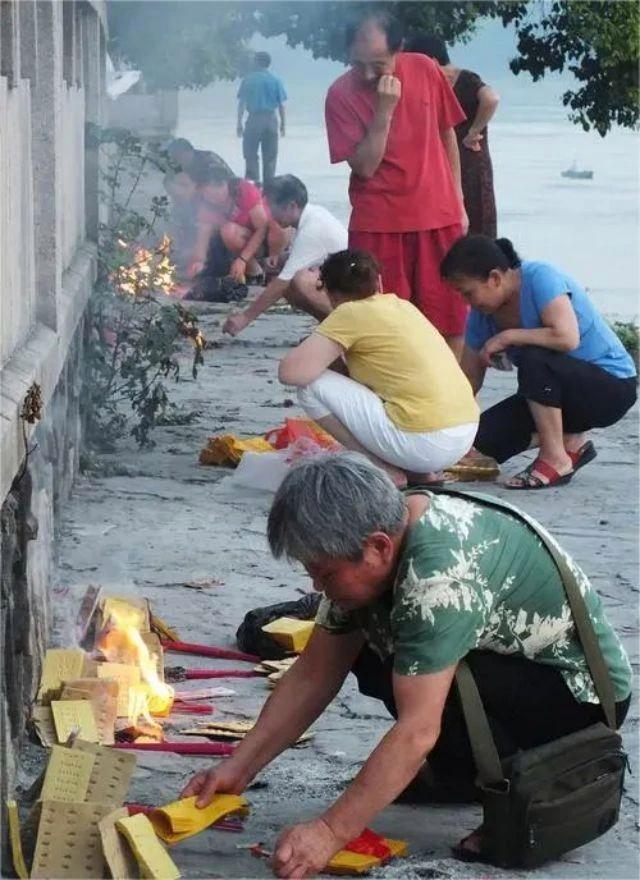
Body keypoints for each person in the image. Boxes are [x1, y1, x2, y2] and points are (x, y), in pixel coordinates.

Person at [181, 453, 632, 876]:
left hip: (579, 699)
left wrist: (330, 832)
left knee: (416, 670)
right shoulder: (383, 531)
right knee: (377, 651)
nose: (314, 584)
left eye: (325, 572)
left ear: (377, 546)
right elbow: (314, 675)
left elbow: (418, 729)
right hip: (504, 668)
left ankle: (507, 790)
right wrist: (237, 768)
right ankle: (460, 773)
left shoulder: (437, 577)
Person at [325, 11, 469, 357]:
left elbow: (446, 133)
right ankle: (386, 408)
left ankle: (453, 406)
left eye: (378, 64)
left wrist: (459, 202)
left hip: (438, 216)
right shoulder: (340, 94)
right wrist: (384, 111)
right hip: (378, 224)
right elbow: (364, 166)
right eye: (358, 64)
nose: (368, 74)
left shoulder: (424, 68)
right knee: (377, 325)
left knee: (448, 321)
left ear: (399, 49)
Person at [440, 236, 637, 488]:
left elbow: (567, 337)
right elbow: (468, 381)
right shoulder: (482, 316)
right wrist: (444, 432)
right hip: (553, 396)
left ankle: (556, 458)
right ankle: (571, 441)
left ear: (495, 278)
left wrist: (508, 336)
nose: (466, 303)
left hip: (609, 388)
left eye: (468, 293)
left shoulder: (540, 277)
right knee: (478, 443)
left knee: (536, 358)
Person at [277, 250, 479, 486]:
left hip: (425, 440)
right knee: (390, 394)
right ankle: (420, 474)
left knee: (310, 386)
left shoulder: (348, 313)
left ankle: (381, 467)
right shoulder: (402, 306)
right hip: (463, 433)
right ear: (379, 283)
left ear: (330, 293)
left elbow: (290, 373)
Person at [223, 175, 348, 336]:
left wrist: (245, 318)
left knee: (297, 281)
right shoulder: (312, 213)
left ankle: (342, 328)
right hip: (338, 279)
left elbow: (282, 282)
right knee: (290, 282)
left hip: (346, 290)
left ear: (291, 206)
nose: (269, 214)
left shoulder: (311, 229)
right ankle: (328, 327)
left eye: (272, 207)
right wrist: (281, 259)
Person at [406, 34, 499, 238]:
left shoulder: (466, 79)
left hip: (469, 158)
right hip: (445, 161)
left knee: (476, 214)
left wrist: (474, 132)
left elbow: (491, 98)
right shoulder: (431, 83)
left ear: (432, 61)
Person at [187, 163, 285, 284]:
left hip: (269, 237)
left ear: (225, 184)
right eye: (206, 195)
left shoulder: (243, 190)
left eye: (213, 193)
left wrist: (242, 259)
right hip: (246, 240)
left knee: (277, 226)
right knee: (228, 231)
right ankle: (256, 272)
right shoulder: (206, 205)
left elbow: (262, 228)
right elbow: (202, 239)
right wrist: (198, 262)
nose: (210, 198)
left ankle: (274, 269)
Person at [237, 51, 287, 186]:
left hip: (254, 119)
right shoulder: (276, 80)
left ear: (256, 62)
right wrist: (283, 124)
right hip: (271, 119)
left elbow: (242, 103)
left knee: (250, 155)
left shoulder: (248, 80)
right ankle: (269, 188)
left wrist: (239, 123)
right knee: (270, 157)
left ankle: (254, 186)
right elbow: (281, 105)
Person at [167, 138, 234, 180]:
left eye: (180, 155)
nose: (178, 160)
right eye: (175, 157)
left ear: (190, 152)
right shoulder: (174, 165)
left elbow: (230, 179)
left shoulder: (209, 159)